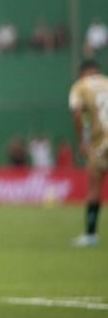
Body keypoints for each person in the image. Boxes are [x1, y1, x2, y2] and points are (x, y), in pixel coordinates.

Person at [68, 59, 108, 247]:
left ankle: (90, 235)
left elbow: (77, 114)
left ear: (83, 73)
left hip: (99, 142)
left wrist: (81, 140)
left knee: (94, 187)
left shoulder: (81, 86)